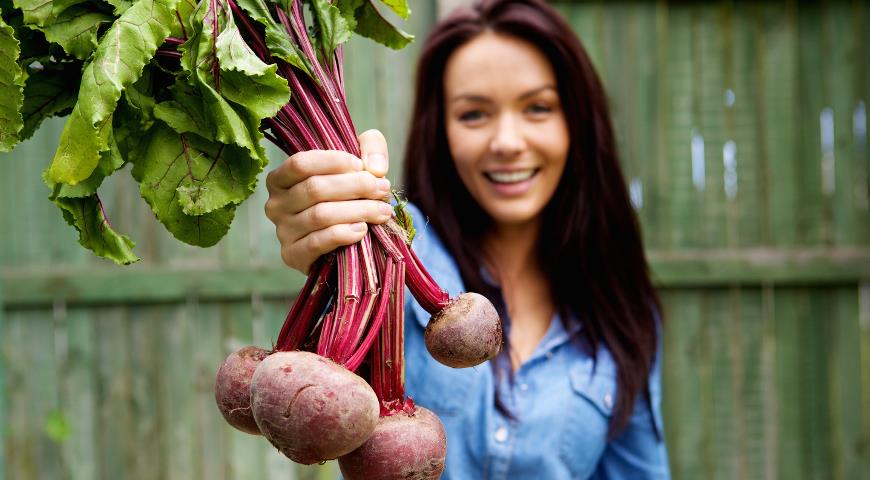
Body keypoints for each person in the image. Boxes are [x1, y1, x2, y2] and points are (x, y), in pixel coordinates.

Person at [264, 0, 670, 478]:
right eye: (474, 114)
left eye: (538, 107)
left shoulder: (621, 310)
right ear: (441, 131)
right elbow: (341, 238)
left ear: (577, 122)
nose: (507, 141)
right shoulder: (390, 244)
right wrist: (324, 225)